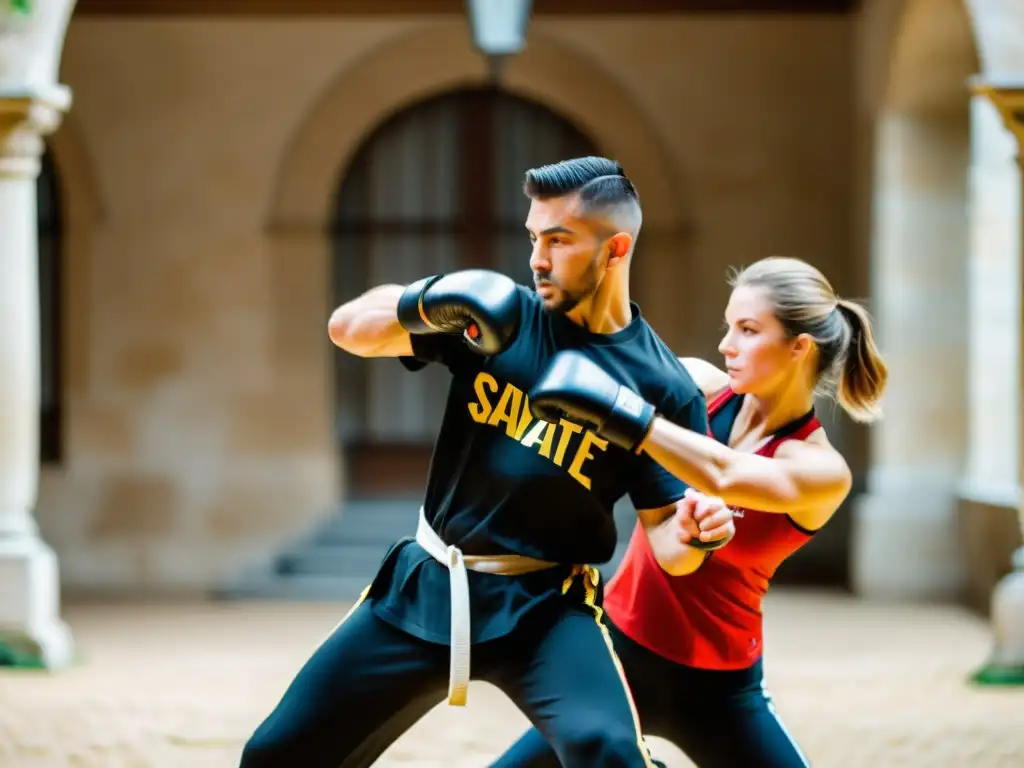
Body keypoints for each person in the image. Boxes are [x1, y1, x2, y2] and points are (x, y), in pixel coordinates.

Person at [238, 156, 733, 768]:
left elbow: (670, 544)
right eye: (532, 237)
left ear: (616, 248)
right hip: (429, 585)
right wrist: (433, 297)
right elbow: (347, 329)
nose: (537, 259)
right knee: (275, 755)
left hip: (546, 609)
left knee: (606, 752)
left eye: (558, 240)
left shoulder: (663, 386)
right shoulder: (497, 315)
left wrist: (694, 534)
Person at [492, 256, 889, 768]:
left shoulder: (819, 470)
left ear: (799, 346)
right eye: (729, 326)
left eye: (748, 330)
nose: (727, 345)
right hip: (616, 654)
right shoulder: (699, 387)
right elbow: (601, 360)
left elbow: (722, 474)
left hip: (720, 687)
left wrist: (625, 414)